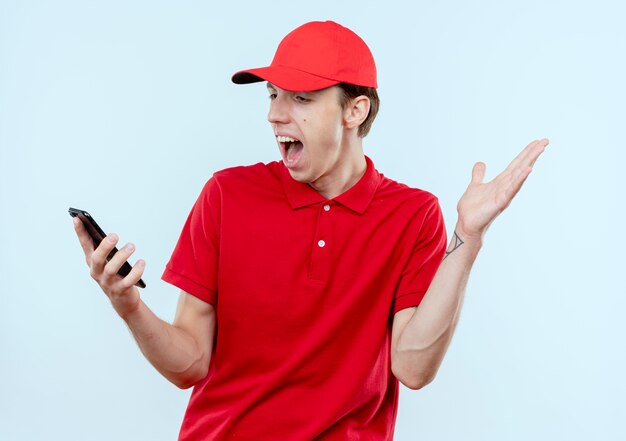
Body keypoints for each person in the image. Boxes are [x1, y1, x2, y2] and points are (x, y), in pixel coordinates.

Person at [72, 20, 548, 440]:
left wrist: (467, 237)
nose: (276, 114)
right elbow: (189, 363)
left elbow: (414, 367)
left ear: (354, 111)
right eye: (273, 94)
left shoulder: (412, 214)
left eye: (301, 98)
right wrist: (128, 304)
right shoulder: (226, 195)